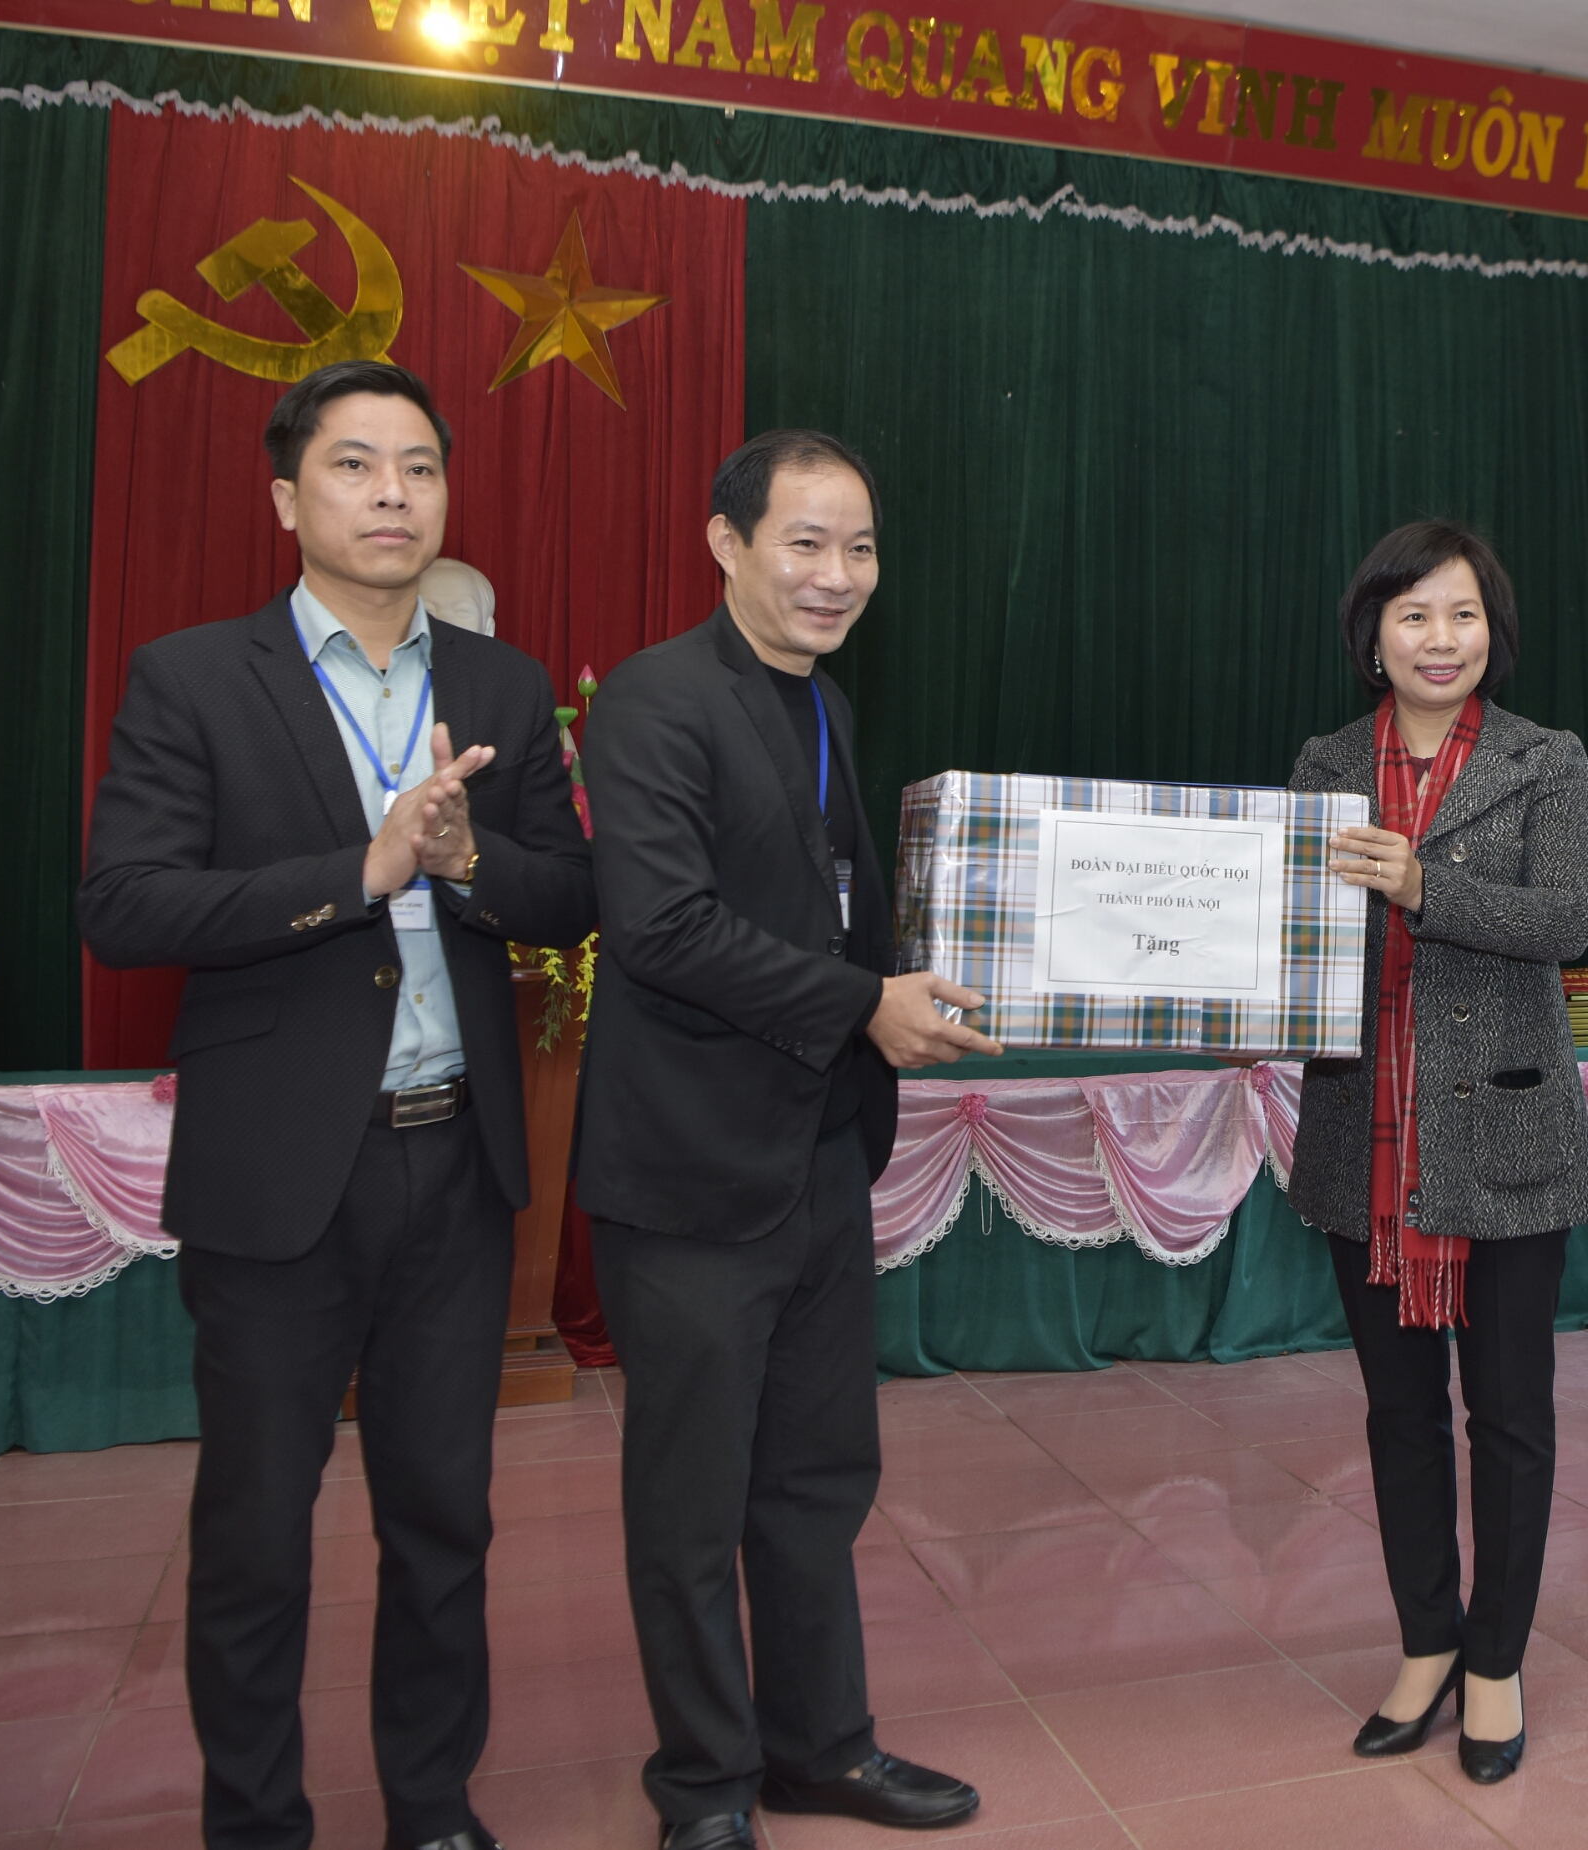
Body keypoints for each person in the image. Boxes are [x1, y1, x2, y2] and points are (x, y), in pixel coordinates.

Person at [78, 360, 597, 1850]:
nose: (392, 493)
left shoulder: (499, 685)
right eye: (356, 464)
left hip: (456, 1165)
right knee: (255, 1533)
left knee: (444, 1518)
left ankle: (431, 1805)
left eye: (419, 466)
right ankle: (255, 1822)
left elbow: (571, 892)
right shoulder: (194, 675)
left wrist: (467, 861)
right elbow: (124, 905)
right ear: (285, 498)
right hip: (280, 1178)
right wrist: (359, 873)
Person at [574, 430, 1000, 1850]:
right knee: (691, 1506)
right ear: (727, 542)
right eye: (806, 542)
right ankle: (703, 1784)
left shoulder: (824, 703)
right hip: (690, 1175)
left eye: (860, 547)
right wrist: (866, 1004)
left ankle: (822, 1746)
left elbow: (826, 903)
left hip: (817, 1158)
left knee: (816, 1481)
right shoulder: (656, 697)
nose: (837, 574)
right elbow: (662, 926)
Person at [1287, 519, 1588, 1785]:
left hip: (1507, 1137)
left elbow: (1567, 918)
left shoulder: (1546, 757)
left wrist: (1423, 884)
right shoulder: (1323, 765)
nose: (1440, 638)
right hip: (1365, 1139)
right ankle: (1425, 1642)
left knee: (1510, 1418)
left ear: (1493, 631)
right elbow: (1292, 933)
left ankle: (1494, 1661)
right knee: (1399, 1414)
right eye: (1414, 613)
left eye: (1463, 613)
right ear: (1373, 632)